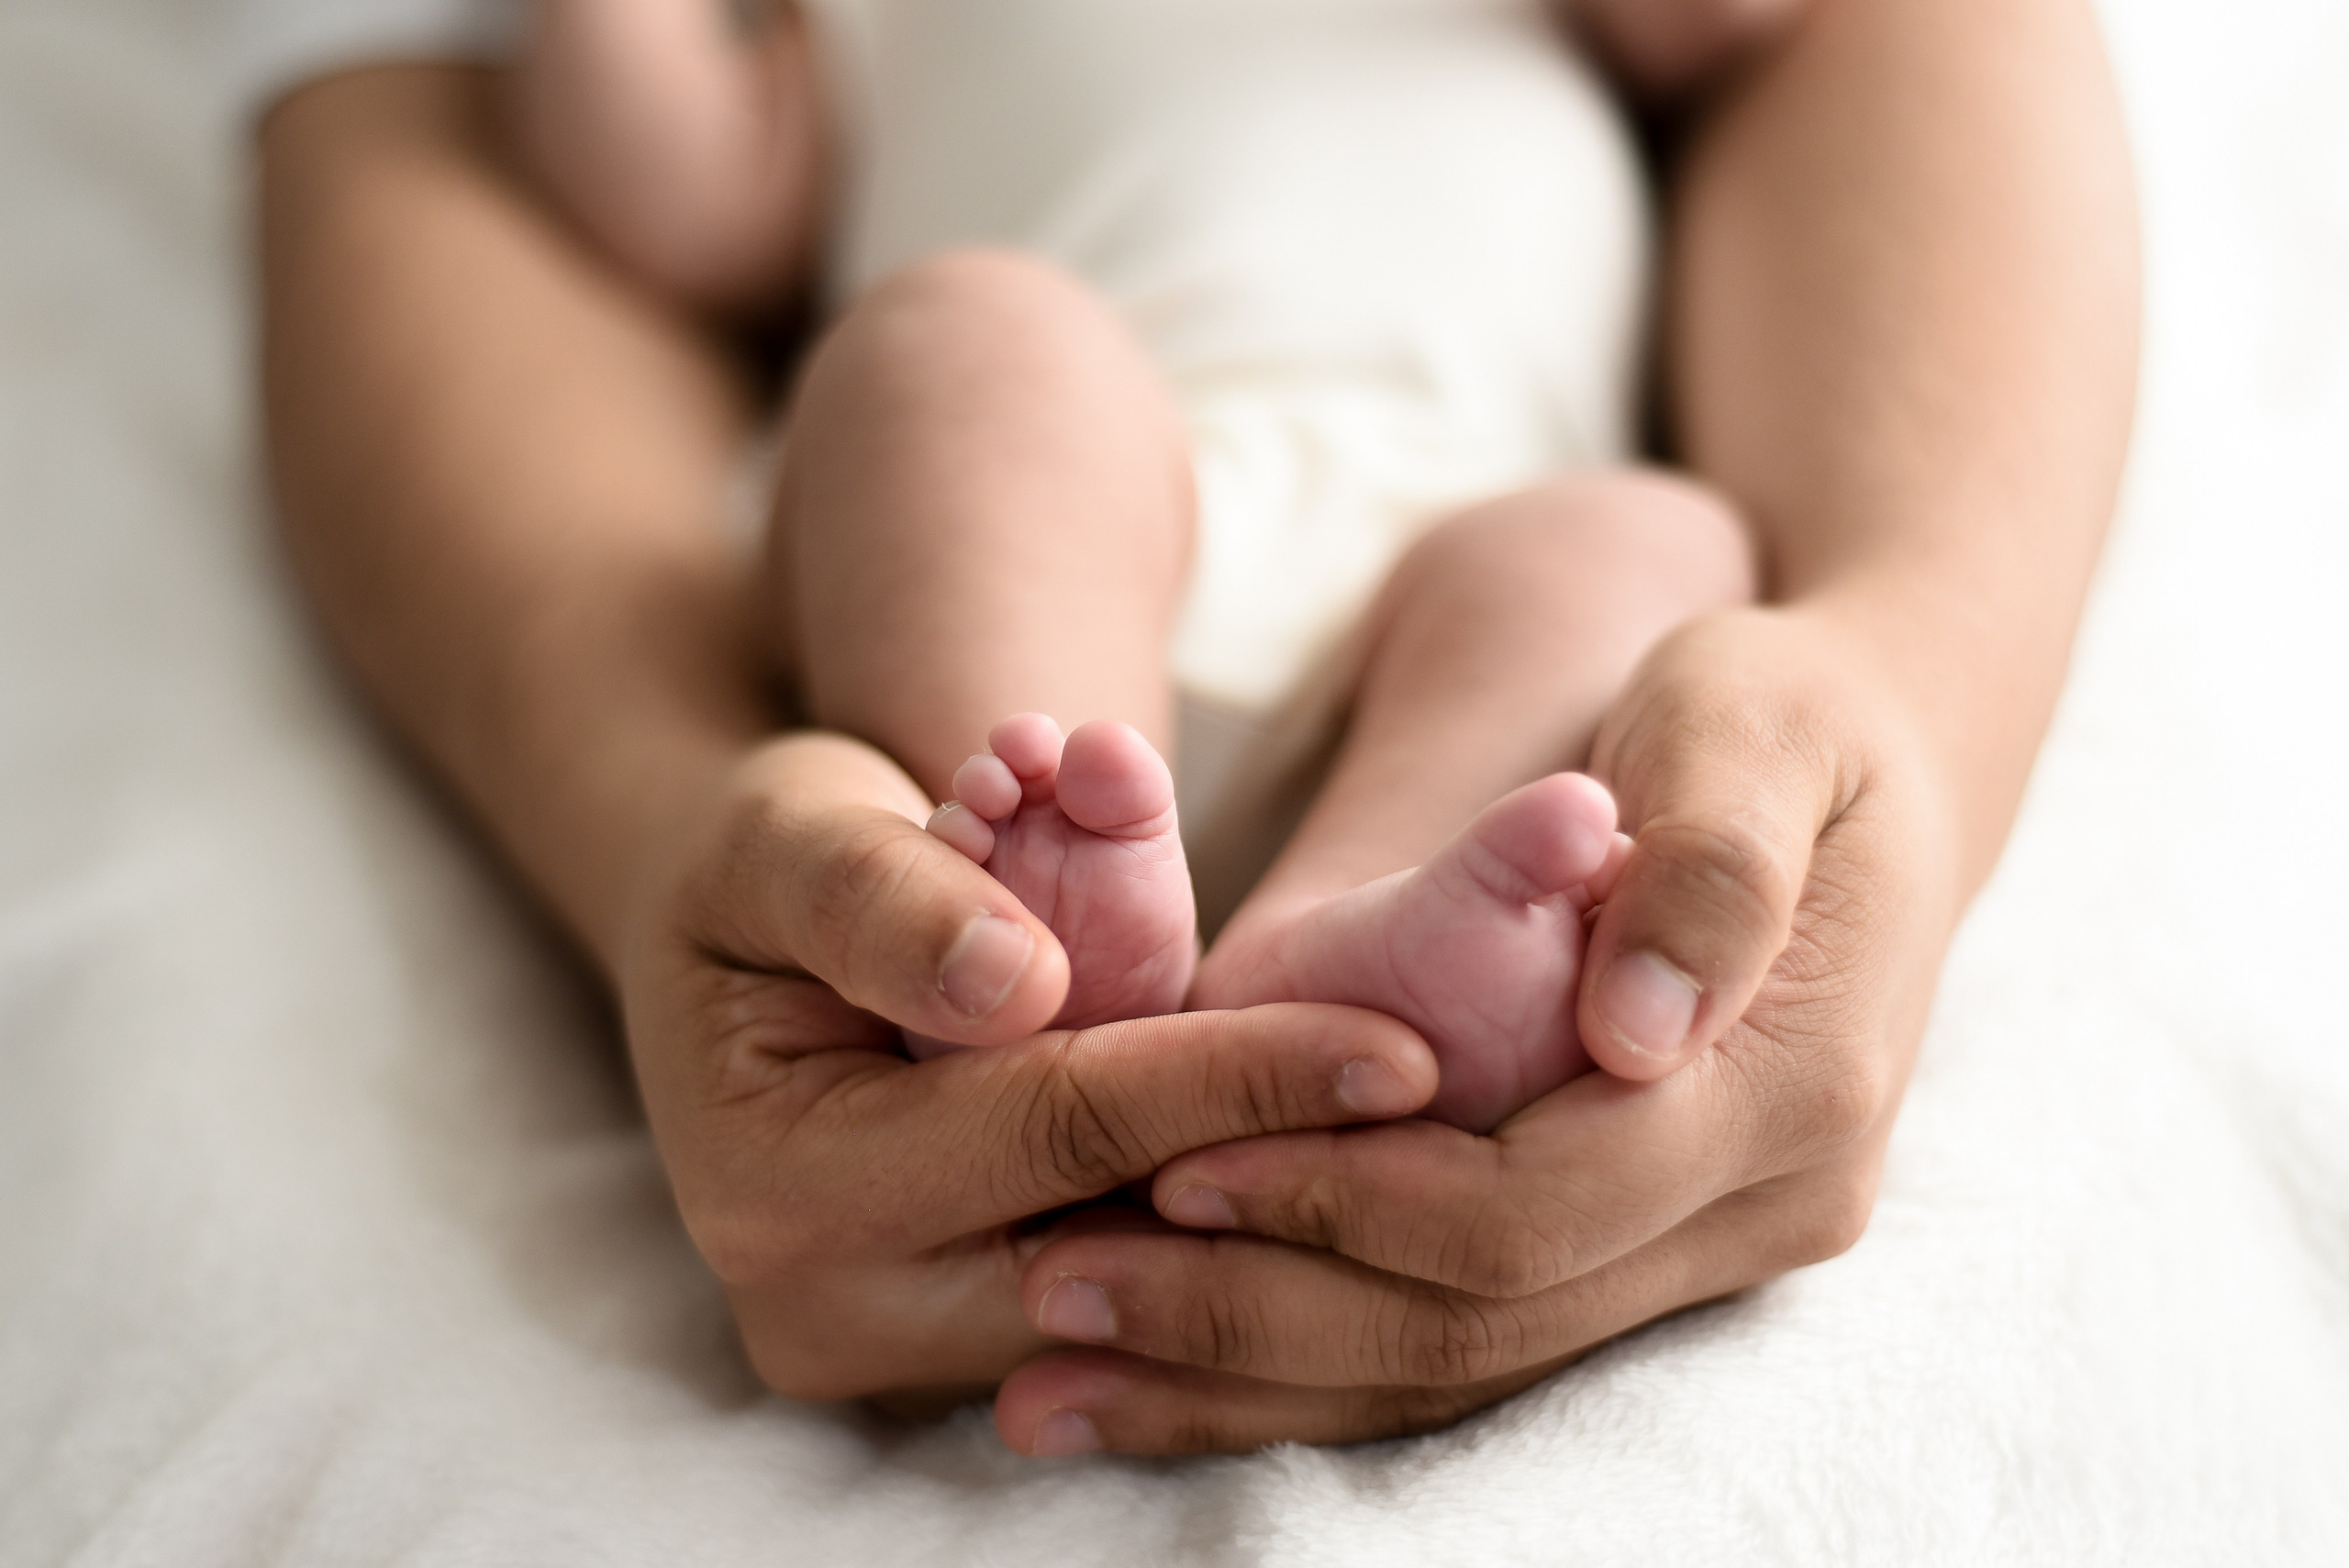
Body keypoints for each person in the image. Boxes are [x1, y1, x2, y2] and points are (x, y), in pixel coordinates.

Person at [257, 0, 2139, 1454]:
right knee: (960, 351)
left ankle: (1367, 903)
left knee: (1642, 549)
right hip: (1096, 500)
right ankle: (1045, 876)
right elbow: (683, 198)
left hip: (1453, 533)